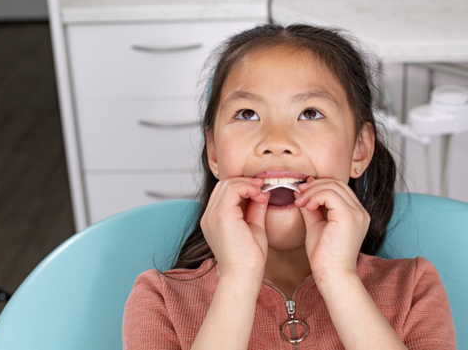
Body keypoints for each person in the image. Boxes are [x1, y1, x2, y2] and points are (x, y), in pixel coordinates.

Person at [122, 24, 456, 350]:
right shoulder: (160, 300)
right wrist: (238, 280)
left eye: (310, 113)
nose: (276, 141)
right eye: (247, 113)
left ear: (360, 149)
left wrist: (339, 278)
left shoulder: (413, 288)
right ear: (213, 151)